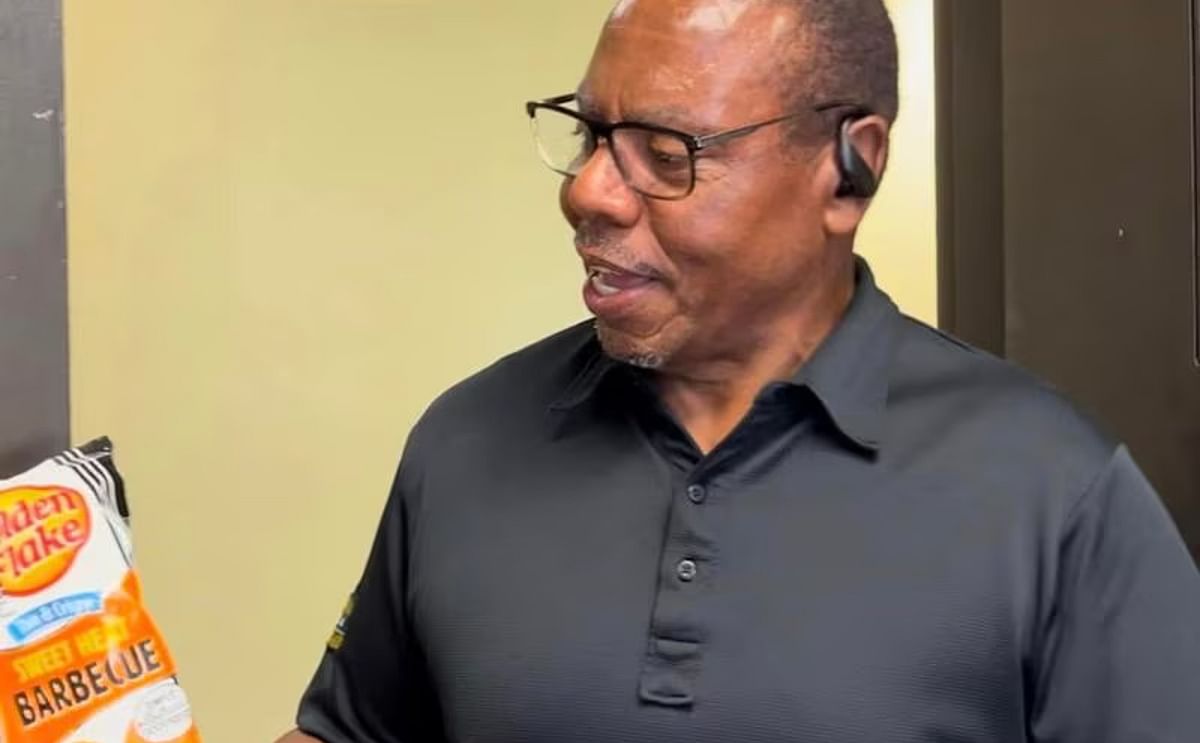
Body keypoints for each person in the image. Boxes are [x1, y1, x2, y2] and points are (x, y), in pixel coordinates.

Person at [276, 0, 1200, 740]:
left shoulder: (1053, 490)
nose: (587, 191)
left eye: (665, 152)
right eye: (589, 133)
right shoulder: (467, 442)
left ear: (849, 168)